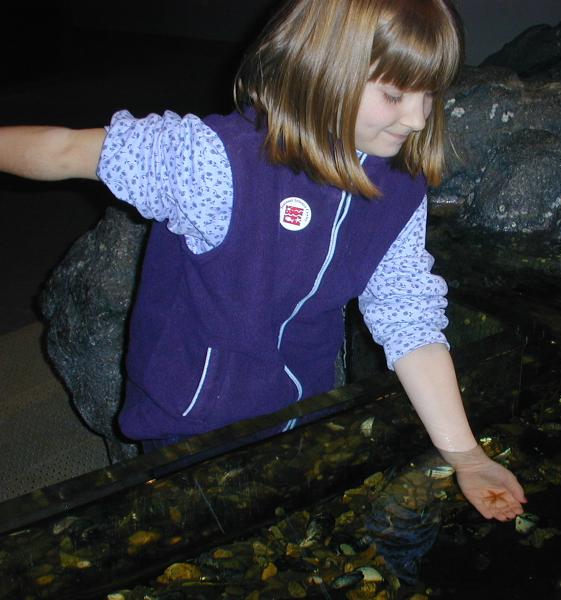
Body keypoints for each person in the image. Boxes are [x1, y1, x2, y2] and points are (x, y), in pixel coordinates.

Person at [0, 0, 525, 521]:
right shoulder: (215, 162)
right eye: (394, 93)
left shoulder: (399, 186)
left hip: (302, 402)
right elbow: (64, 151)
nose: (416, 119)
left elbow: (409, 318)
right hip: (194, 414)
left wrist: (467, 456)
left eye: (429, 92)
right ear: (322, 69)